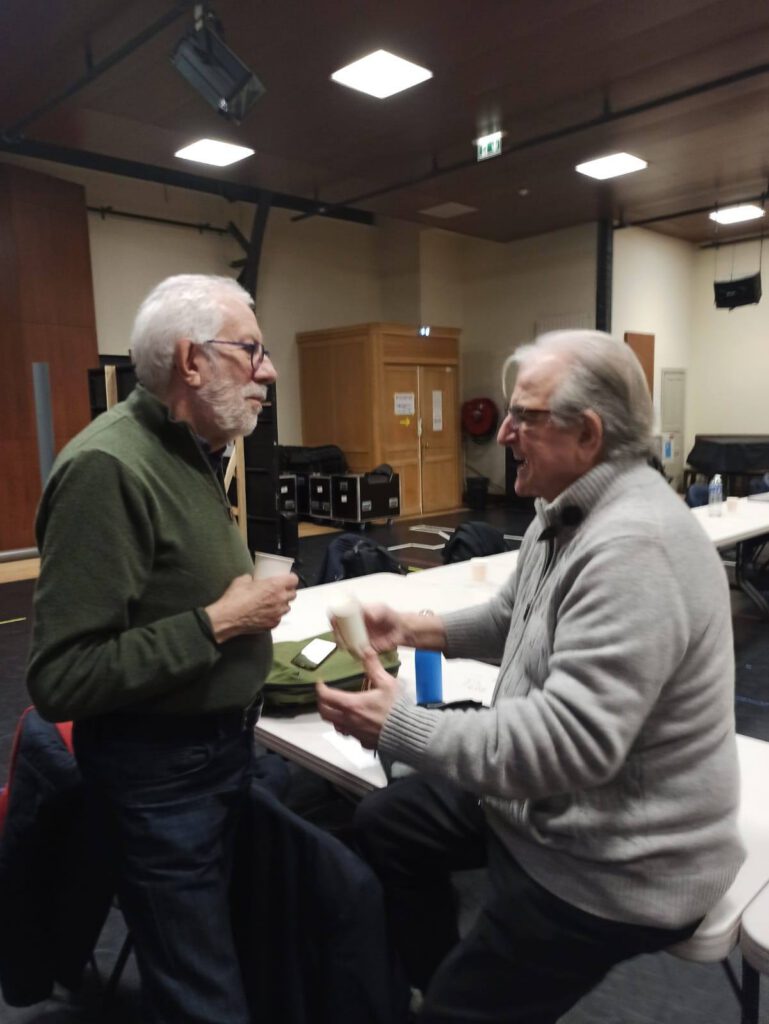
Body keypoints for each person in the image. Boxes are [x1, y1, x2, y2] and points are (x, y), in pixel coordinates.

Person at [317, 329, 744, 1024]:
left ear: (588, 434)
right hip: (550, 809)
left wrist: (400, 724)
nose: (503, 431)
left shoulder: (635, 547)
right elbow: (512, 615)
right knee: (387, 823)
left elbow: (567, 746)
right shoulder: (565, 512)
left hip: (618, 862)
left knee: (459, 1009)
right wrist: (415, 628)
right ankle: (440, 980)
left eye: (525, 416)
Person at [27, 274, 298, 1023]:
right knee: (200, 993)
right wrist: (220, 623)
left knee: (221, 956)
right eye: (252, 350)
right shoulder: (109, 467)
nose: (269, 370)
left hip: (218, 753)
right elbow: (61, 676)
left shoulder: (192, 448)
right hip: (161, 776)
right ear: (190, 361)